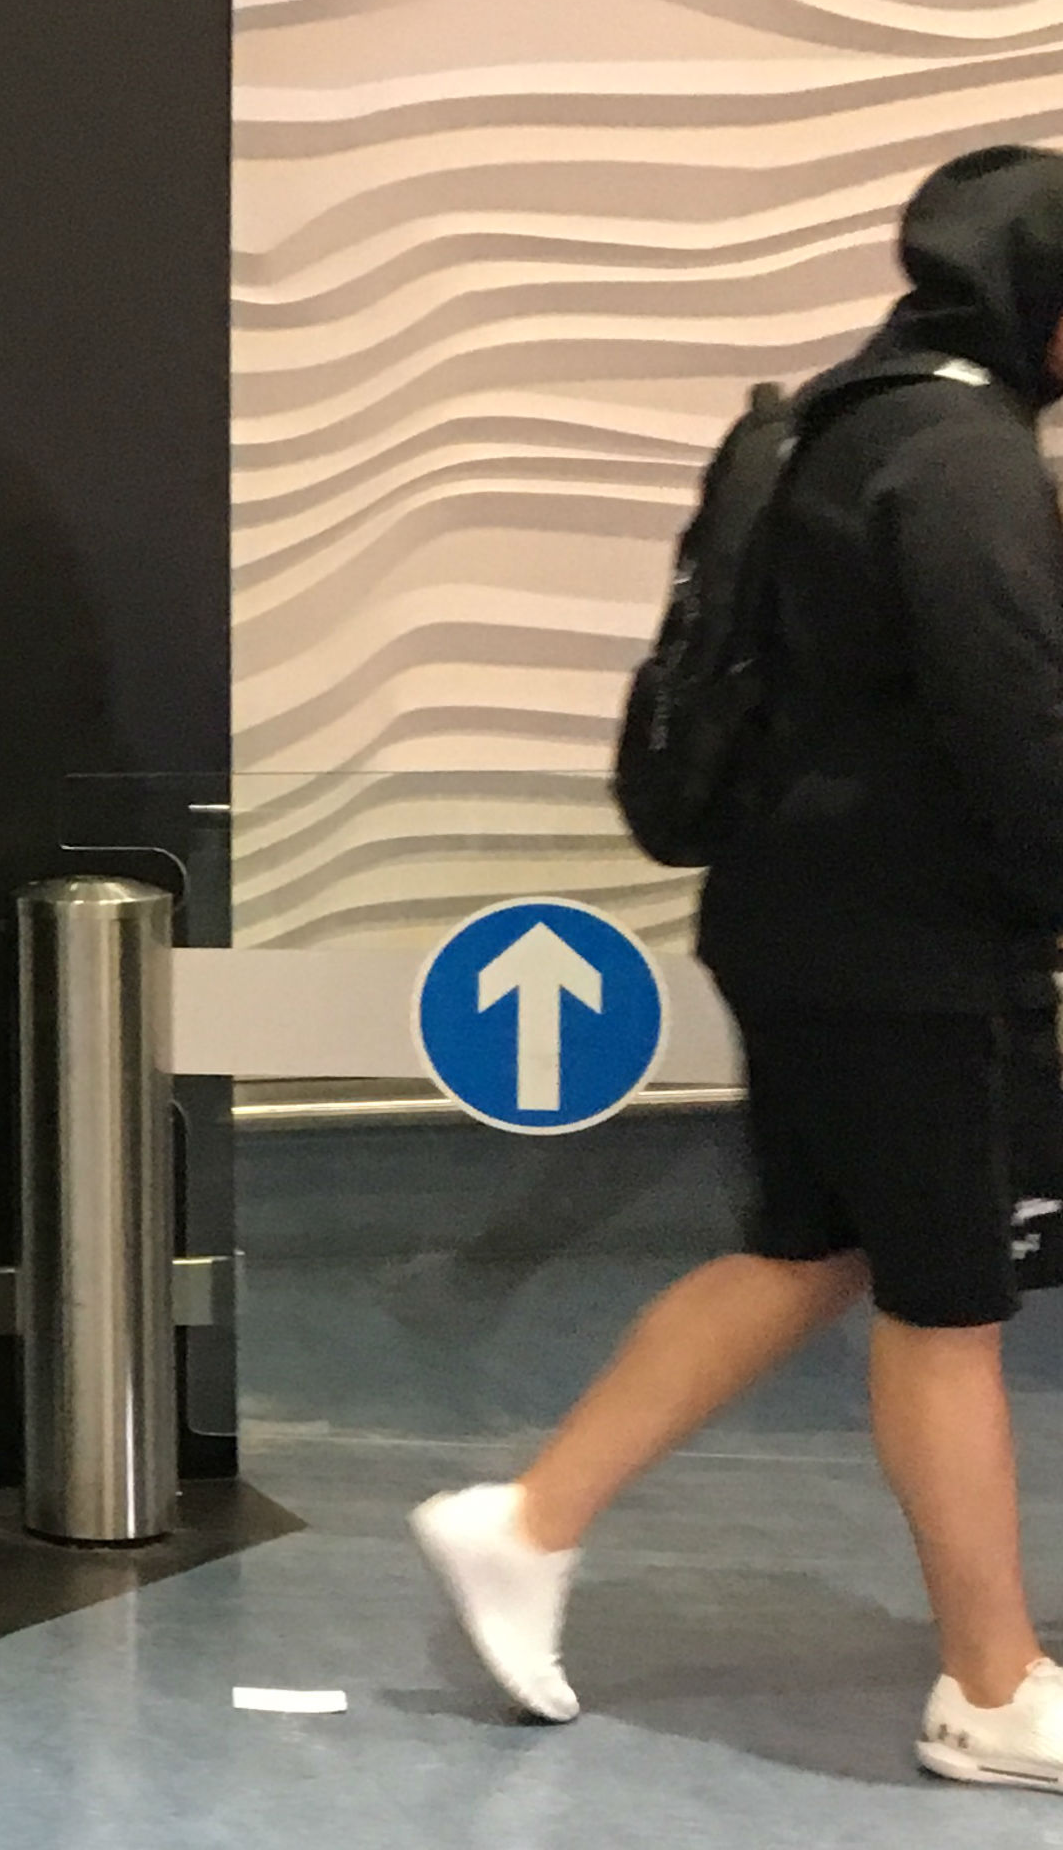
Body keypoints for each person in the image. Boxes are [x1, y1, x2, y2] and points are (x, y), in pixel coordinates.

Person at [413, 147, 1063, 1789]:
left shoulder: (838, 418)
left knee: (809, 1249)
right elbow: (1021, 720)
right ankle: (993, 1687)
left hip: (797, 919)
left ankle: (524, 1522)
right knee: (947, 1301)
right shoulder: (963, 451)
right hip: (911, 949)